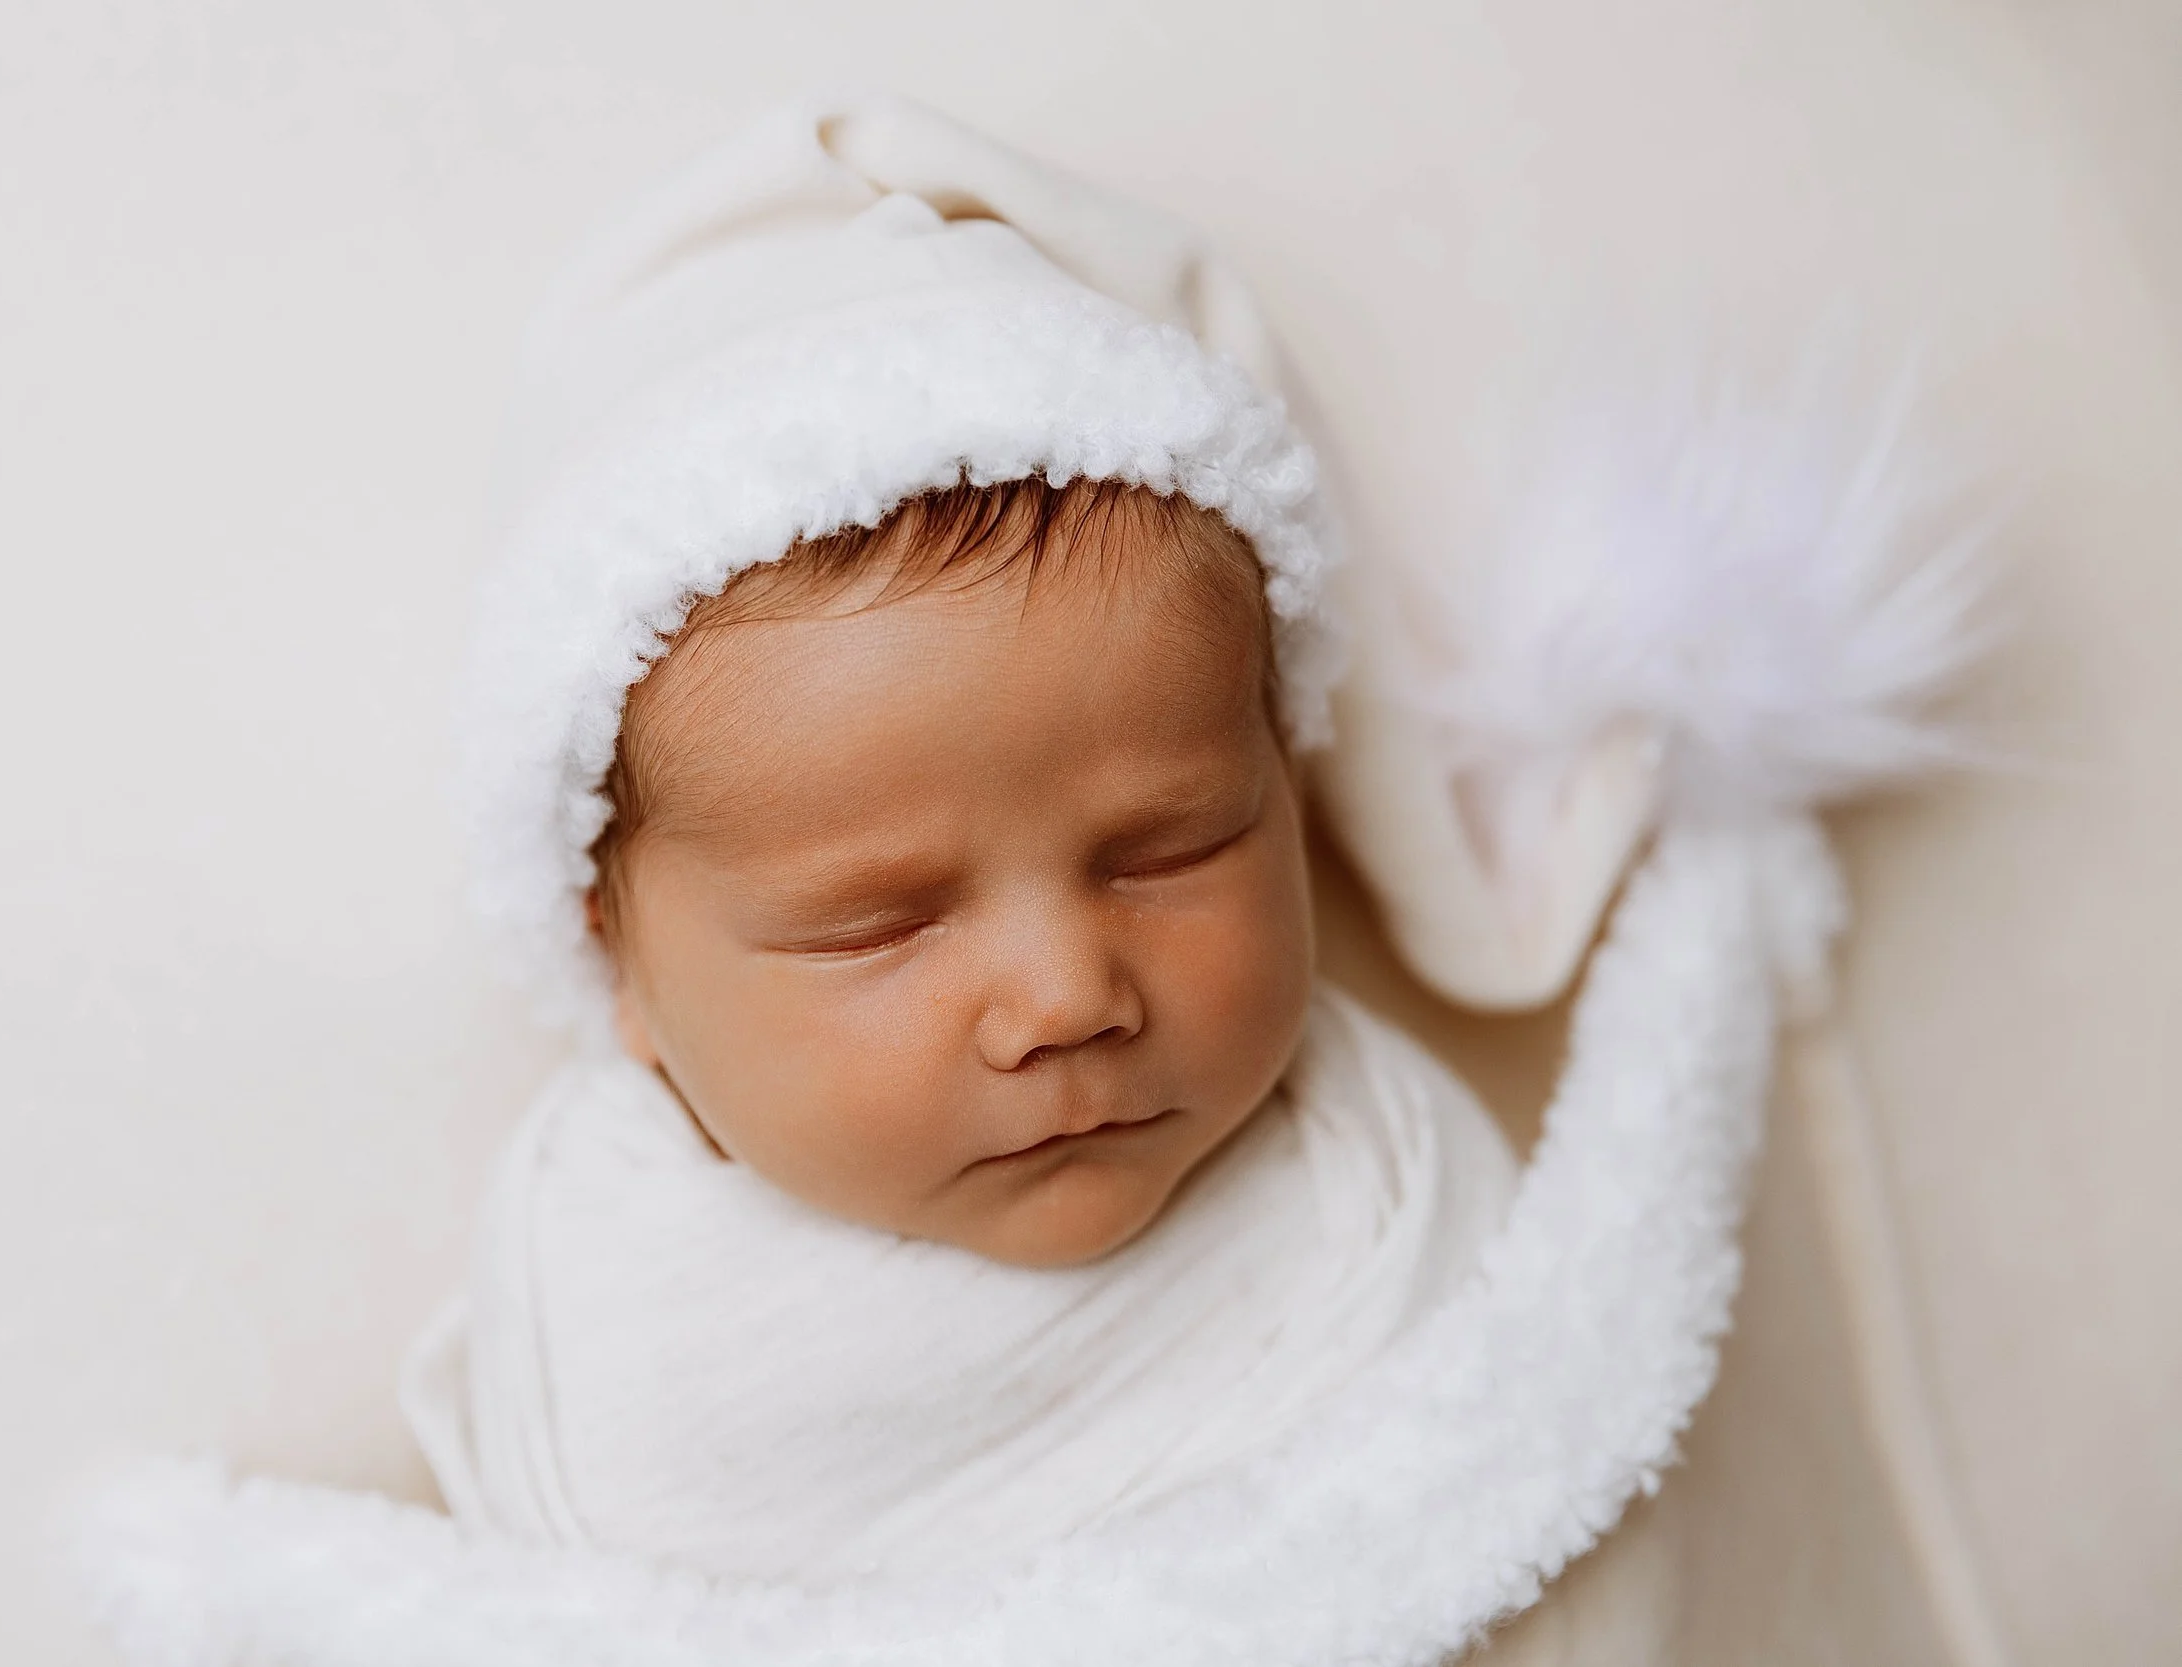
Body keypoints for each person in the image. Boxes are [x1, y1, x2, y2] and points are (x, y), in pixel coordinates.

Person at [402, 94, 1519, 1584]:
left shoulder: (1391, 1197)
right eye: (879, 923)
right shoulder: (601, 1325)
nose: (1069, 995)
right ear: (622, 972)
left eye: (1172, 848)